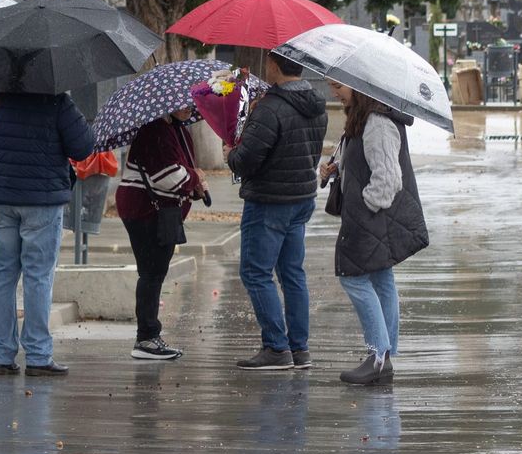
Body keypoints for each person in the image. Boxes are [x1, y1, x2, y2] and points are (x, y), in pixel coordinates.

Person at [0, 90, 93, 377]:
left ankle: (1, 355)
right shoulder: (54, 97)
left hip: (1, 201)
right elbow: (83, 147)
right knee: (38, 276)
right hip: (43, 200)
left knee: (2, 275)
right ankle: (39, 355)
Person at [225, 51, 329, 371]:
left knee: (256, 273)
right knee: (292, 274)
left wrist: (231, 152)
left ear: (273, 64)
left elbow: (246, 160)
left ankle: (275, 347)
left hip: (269, 201)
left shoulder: (271, 109)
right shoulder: (317, 105)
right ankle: (299, 349)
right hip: (301, 199)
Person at [320, 81, 428, 386]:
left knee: (353, 278)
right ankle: (384, 357)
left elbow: (388, 178)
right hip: (372, 217)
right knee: (381, 279)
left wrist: (365, 206)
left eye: (338, 86)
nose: (334, 92)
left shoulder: (378, 123)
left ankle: (378, 355)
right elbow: (364, 162)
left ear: (360, 88)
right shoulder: (365, 118)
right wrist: (336, 168)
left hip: (369, 218)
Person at [115, 107, 207, 360]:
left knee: (155, 272)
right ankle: (146, 338)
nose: (187, 107)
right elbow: (168, 177)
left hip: (160, 212)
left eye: (190, 102)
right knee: (152, 273)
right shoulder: (155, 130)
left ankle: (148, 336)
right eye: (182, 103)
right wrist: (194, 177)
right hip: (145, 210)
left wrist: (194, 184)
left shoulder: (176, 130)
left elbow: (181, 172)